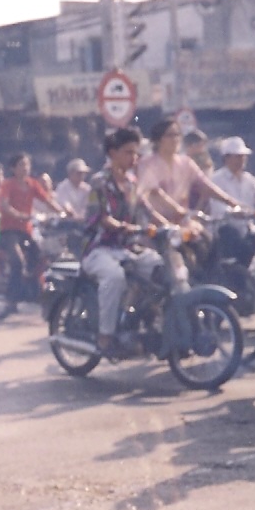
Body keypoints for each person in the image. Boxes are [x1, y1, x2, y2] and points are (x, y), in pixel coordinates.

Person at [80, 126, 168, 357]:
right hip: (99, 249)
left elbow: (147, 210)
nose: (134, 158)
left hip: (127, 249)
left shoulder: (131, 182)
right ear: (112, 153)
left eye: (136, 153)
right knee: (114, 277)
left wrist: (169, 226)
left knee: (159, 268)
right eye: (128, 152)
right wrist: (124, 227)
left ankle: (141, 322)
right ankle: (105, 337)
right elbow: (100, 217)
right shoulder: (99, 182)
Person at [137, 117, 239, 229]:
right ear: (158, 139)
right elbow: (154, 193)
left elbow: (205, 186)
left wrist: (232, 202)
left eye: (177, 135)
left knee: (208, 241)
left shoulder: (185, 163)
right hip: (156, 226)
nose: (175, 139)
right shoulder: (147, 163)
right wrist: (178, 210)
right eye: (170, 135)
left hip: (183, 224)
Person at [0, 152, 66, 312]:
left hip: (26, 229)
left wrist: (62, 212)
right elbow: (5, 205)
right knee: (17, 262)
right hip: (8, 230)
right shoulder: (8, 185)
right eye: (21, 165)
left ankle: (35, 290)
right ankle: (11, 300)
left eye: (27, 164)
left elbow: (47, 200)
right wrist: (19, 215)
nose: (25, 168)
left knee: (41, 257)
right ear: (13, 168)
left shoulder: (32, 183)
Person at [208, 136, 255, 265]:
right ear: (226, 158)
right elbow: (217, 208)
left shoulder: (249, 179)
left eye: (243, 156)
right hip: (225, 230)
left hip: (248, 228)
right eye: (237, 156)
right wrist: (233, 212)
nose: (241, 160)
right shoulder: (217, 179)